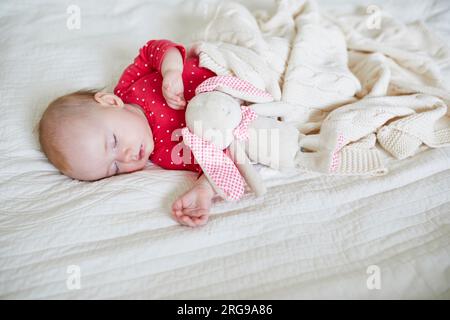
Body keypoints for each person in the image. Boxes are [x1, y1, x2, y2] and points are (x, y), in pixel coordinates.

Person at [38, 39, 219, 227]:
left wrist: (171, 70)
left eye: (114, 142)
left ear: (110, 102)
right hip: (243, 104)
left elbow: (154, 50)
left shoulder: (129, 87)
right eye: (115, 168)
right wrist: (204, 189)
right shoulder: (168, 155)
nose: (126, 158)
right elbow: (220, 161)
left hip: (223, 63)